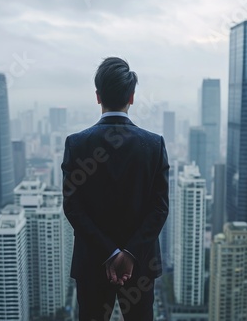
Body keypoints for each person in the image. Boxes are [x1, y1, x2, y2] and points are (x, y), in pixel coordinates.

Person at [62, 57, 169, 320]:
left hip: (92, 264)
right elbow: (160, 208)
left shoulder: (77, 144)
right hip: (141, 265)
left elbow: (72, 207)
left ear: (97, 96)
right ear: (131, 97)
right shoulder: (154, 145)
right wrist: (129, 253)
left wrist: (109, 252)